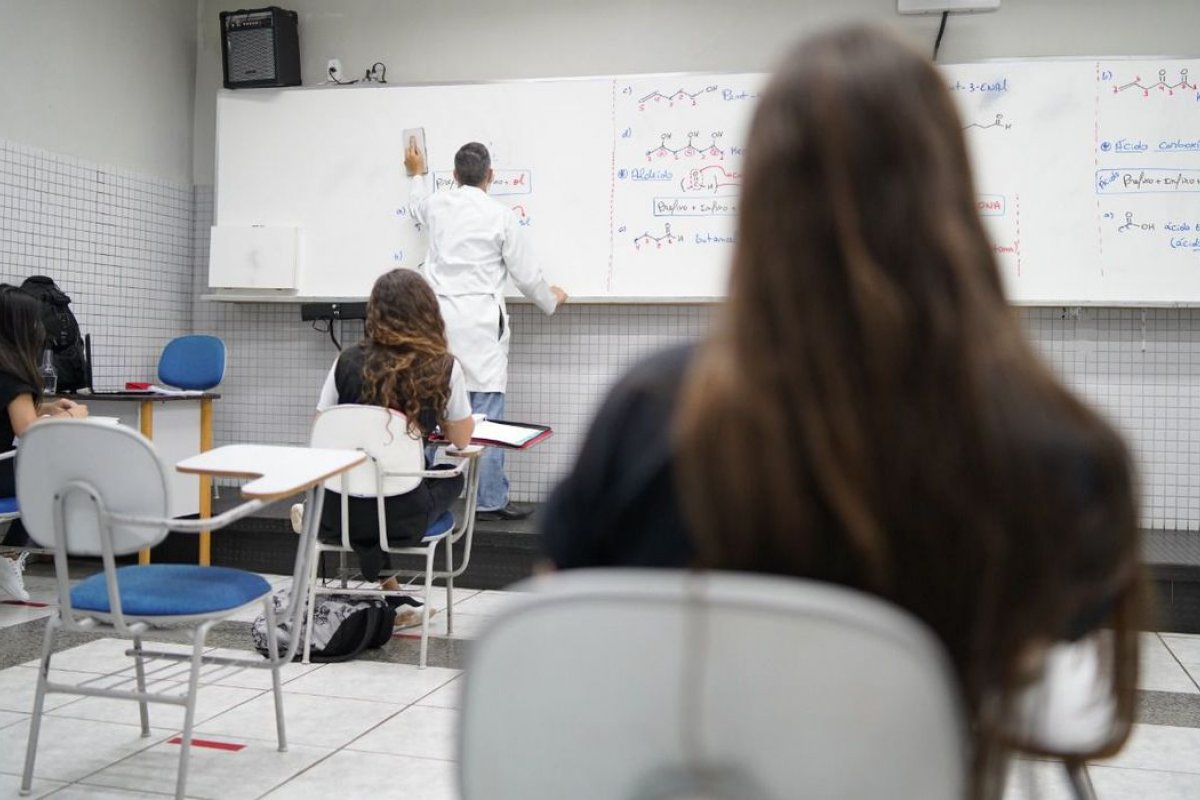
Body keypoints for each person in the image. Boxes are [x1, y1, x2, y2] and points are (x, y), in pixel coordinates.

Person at [539, 25, 1144, 798]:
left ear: (761, 200)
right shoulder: (1064, 453)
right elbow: (1047, 679)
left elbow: (561, 638)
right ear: (951, 195)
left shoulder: (654, 415)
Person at [294, 269, 474, 624]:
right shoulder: (443, 367)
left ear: (374, 311)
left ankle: (391, 592)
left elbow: (321, 429)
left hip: (337, 511)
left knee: (366, 487)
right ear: (428, 313)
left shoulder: (344, 361)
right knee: (450, 477)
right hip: (400, 517)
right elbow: (462, 440)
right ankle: (395, 597)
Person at [404, 140, 567, 521]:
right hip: (480, 324)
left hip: (439, 323)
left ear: (455, 176)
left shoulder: (437, 204)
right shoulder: (501, 216)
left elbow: (415, 207)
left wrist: (416, 173)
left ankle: (414, 491)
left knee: (430, 406)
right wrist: (551, 300)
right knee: (487, 416)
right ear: (490, 176)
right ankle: (489, 500)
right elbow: (527, 276)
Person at [0, 284, 87, 601]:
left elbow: (11, 412)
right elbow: (29, 430)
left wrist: (48, 409)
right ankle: (8, 560)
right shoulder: (12, 374)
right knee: (59, 483)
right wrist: (72, 416)